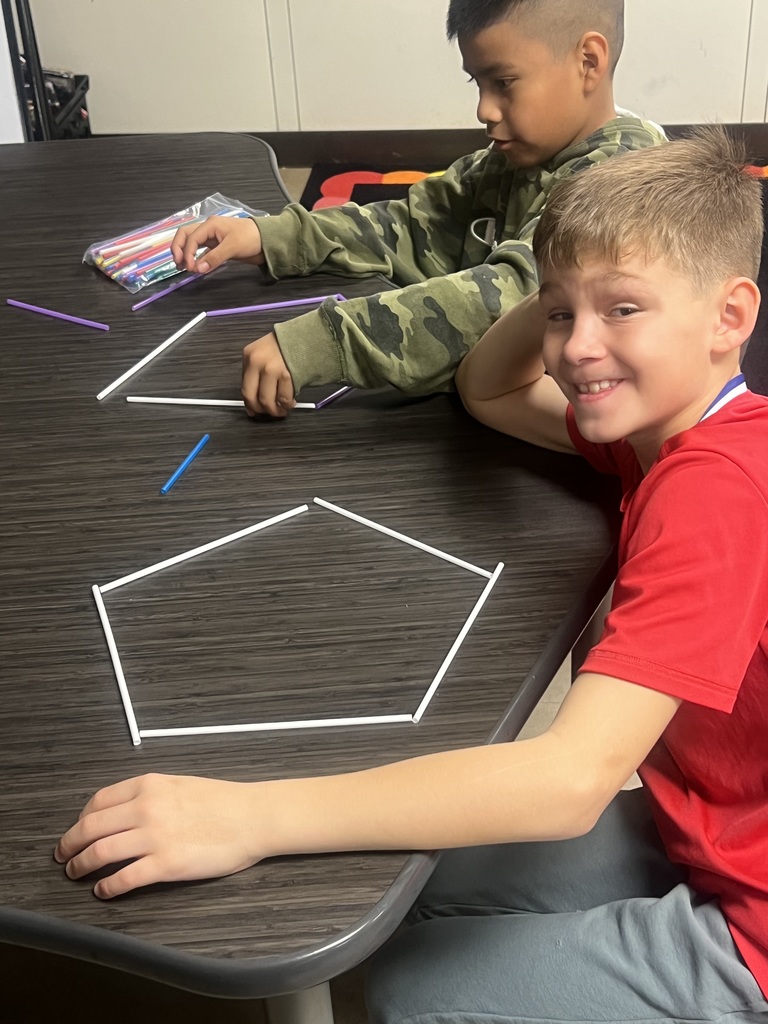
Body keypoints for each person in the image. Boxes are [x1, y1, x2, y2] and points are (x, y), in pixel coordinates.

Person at [55, 127, 768, 1022]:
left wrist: (252, 817)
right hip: (705, 815)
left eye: (624, 310)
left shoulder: (717, 491)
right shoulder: (667, 428)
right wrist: (568, 281)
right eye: (559, 313)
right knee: (412, 887)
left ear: (730, 318)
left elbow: (570, 779)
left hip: (754, 922)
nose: (579, 348)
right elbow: (489, 386)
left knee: (415, 991)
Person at [171, 0, 665, 417]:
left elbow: (513, 298)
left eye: (505, 82)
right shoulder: (516, 158)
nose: (484, 110)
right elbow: (411, 224)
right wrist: (274, 238)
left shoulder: (621, 188)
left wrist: (324, 342)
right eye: (478, 84)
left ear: (589, 62)